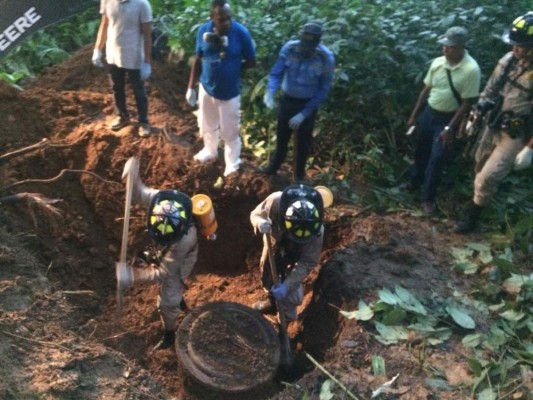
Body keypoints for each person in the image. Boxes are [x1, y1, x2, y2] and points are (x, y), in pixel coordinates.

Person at [455, 12, 533, 233]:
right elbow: (489, 91)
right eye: (515, 45)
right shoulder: (508, 62)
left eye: (522, 46)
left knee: (487, 178)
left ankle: (471, 217)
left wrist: (529, 148)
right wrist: (476, 113)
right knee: (478, 163)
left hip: (515, 133)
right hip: (493, 123)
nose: (516, 50)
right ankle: (479, 199)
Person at [116, 158, 198, 350]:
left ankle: (169, 334)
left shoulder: (185, 239)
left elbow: (164, 273)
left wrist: (132, 276)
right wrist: (133, 178)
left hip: (181, 260)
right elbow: (140, 192)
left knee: (168, 300)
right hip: (165, 249)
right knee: (152, 260)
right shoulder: (162, 201)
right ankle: (182, 302)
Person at [406, 26, 481, 214]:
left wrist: (449, 128)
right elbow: (426, 89)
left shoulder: (471, 70)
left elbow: (467, 103)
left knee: (437, 157)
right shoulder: (438, 63)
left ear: (462, 47)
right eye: (445, 46)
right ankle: (414, 181)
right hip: (429, 113)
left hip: (448, 118)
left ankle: (428, 198)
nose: (446, 49)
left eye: (451, 47)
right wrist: (415, 115)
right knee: (421, 149)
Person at [185, 0, 256, 177]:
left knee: (229, 130)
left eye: (228, 18)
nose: (226, 23)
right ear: (212, 18)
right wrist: (191, 87)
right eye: (221, 19)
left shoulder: (240, 34)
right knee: (207, 123)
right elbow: (198, 59)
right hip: (207, 87)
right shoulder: (203, 31)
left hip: (229, 92)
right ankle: (210, 150)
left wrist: (233, 68)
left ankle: (232, 163)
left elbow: (252, 61)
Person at [261, 22, 335, 182]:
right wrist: (270, 92)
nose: (305, 49)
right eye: (304, 44)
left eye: (310, 45)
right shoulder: (289, 49)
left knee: (303, 143)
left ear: (317, 43)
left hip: (307, 104)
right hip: (288, 100)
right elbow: (276, 73)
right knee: (282, 138)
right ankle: (273, 169)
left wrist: (304, 114)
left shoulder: (325, 58)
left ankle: (299, 176)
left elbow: (323, 89)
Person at [250, 184, 324, 322]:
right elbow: (255, 214)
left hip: (299, 252)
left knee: (292, 295)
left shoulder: (317, 232)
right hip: (276, 240)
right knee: (267, 270)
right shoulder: (276, 201)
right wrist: (259, 222)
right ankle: (272, 301)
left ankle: (286, 321)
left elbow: (307, 262)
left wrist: (287, 286)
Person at [92, 0, 153, 138]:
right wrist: (98, 49)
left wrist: (147, 62)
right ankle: (122, 115)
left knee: (138, 89)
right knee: (116, 87)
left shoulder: (142, 5)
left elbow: (147, 35)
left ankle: (143, 121)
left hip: (134, 55)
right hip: (113, 53)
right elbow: (104, 25)